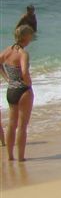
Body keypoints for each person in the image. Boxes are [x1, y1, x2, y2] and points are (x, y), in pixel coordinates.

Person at [1, 25, 35, 162]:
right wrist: (29, 83)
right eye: (31, 36)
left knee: (11, 124)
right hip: (23, 90)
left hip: (11, 90)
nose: (31, 38)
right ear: (26, 37)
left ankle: (10, 156)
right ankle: (21, 157)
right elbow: (25, 72)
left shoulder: (8, 50)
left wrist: (6, 78)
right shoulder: (23, 53)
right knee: (22, 126)